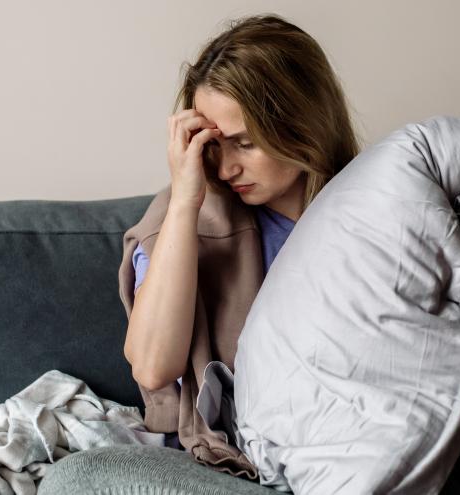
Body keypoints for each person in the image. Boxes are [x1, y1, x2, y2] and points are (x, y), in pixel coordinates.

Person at [122, 12, 361, 457]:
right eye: (214, 146)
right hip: (219, 461)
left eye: (245, 143)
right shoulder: (181, 220)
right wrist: (183, 205)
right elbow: (153, 367)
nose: (227, 168)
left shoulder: (375, 213)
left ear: (304, 123)